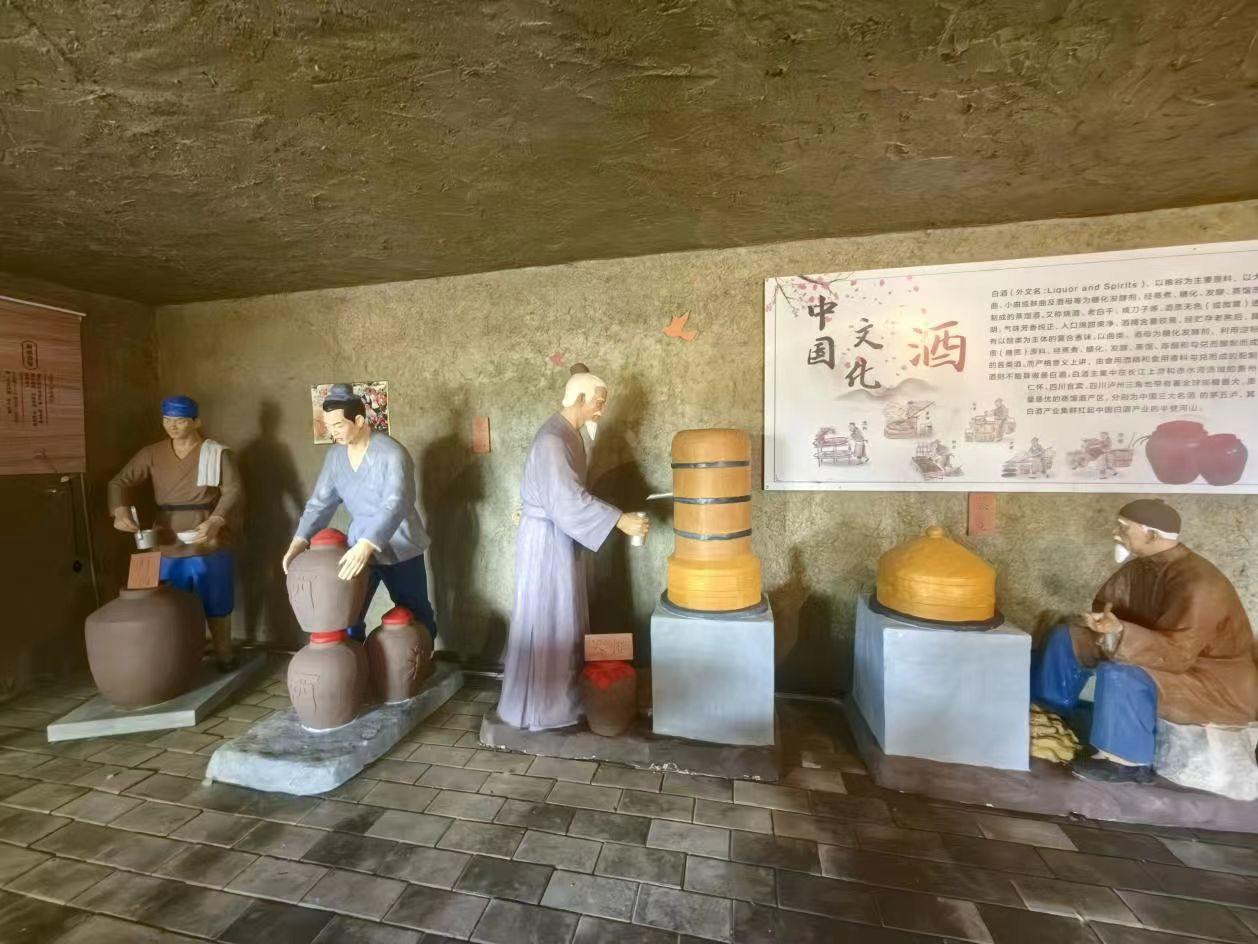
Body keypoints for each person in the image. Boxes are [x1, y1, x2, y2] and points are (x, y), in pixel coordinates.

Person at [1031, 499, 1258, 783]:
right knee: (1069, 637)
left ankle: (1125, 760)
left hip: (1210, 679)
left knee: (1123, 673)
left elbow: (1179, 654)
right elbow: (1111, 607)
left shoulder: (1200, 584)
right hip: (1157, 651)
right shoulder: (1139, 568)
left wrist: (1120, 632)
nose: (1116, 533)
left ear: (1151, 535)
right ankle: (1050, 713)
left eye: (1124, 527)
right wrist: (1104, 625)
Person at [497, 373, 649, 730]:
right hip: (547, 540)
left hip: (556, 533)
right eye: (598, 402)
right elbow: (567, 500)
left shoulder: (568, 434)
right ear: (580, 399)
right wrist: (620, 520)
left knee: (562, 613)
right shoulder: (554, 439)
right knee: (549, 616)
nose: (601, 410)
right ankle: (543, 707)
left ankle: (560, 699)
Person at [283, 384, 435, 642]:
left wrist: (368, 544)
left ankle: (424, 654)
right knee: (347, 610)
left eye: (338, 425)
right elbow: (320, 503)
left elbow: (396, 503)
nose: (333, 432)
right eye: (328, 426)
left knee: (414, 609)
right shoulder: (335, 456)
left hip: (400, 541)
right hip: (356, 546)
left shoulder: (392, 453)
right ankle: (354, 656)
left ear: (359, 420)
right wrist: (300, 540)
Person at [109, 395, 240, 670]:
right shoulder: (151, 453)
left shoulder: (216, 452)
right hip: (167, 535)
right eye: (167, 420)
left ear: (196, 422)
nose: (172, 426)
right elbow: (119, 482)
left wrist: (216, 520)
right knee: (170, 602)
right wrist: (120, 511)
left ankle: (224, 651)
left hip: (206, 533)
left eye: (180, 421)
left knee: (216, 598)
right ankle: (182, 656)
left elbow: (233, 490)